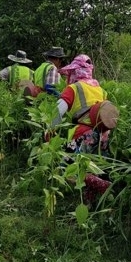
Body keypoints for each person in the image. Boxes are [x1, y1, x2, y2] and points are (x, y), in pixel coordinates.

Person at [49, 54, 112, 203]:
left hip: (82, 134)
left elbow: (58, 111)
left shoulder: (74, 88)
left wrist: (50, 131)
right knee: (90, 169)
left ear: (75, 72)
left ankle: (103, 185)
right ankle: (90, 205)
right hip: (103, 135)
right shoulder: (100, 89)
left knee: (66, 169)